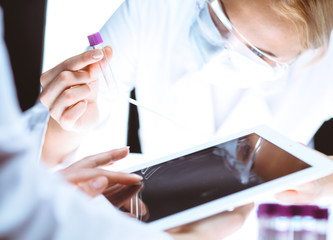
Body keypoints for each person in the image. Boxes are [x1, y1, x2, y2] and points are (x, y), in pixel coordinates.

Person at [0, 8, 254, 239]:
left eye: (260, 53)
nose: (233, 46)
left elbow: (15, 196)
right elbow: (15, 209)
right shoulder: (151, 15)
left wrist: (58, 194)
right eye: (220, 21)